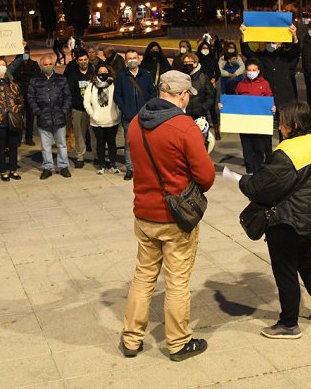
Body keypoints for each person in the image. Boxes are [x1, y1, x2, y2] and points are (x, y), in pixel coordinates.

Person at [121, 70, 216, 361]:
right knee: (176, 282)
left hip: (144, 213)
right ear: (183, 95)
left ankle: (131, 339)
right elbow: (206, 176)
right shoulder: (183, 126)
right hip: (176, 218)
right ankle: (177, 343)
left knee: (143, 276)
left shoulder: (136, 123)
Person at [239, 102, 311, 339]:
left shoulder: (286, 152)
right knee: (306, 260)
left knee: (285, 270)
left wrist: (241, 180)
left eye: (281, 122)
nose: (279, 126)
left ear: (292, 125)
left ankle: (289, 323)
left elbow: (258, 187)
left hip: (287, 221)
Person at [239, 24, 300, 124]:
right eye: (269, 42)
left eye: (274, 41)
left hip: (284, 98)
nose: (272, 44)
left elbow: (296, 51)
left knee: (286, 126)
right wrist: (243, 35)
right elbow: (247, 51)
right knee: (264, 127)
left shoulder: (285, 56)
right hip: (265, 97)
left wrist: (294, 35)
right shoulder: (261, 57)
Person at [114, 50, 158, 180]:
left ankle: (145, 169)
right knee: (129, 145)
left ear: (138, 59)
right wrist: (125, 109)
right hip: (129, 117)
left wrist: (148, 107)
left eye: (134, 57)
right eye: (129, 58)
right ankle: (130, 169)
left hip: (145, 115)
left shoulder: (146, 75)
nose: (132, 60)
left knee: (146, 143)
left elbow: (152, 92)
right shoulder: (121, 77)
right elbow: (117, 95)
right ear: (126, 61)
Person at [27, 55, 72, 179]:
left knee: (61, 144)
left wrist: (63, 111)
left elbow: (68, 96)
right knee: (45, 146)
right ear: (41, 66)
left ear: (54, 64)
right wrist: (38, 112)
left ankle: (63, 166)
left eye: (50, 64)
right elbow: (31, 98)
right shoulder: (35, 79)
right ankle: (47, 168)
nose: (48, 66)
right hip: (43, 118)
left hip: (59, 117)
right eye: (45, 64)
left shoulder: (61, 79)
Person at [0, 57, 26, 181]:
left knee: (14, 147)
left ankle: (13, 169)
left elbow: (21, 100)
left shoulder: (13, 85)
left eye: (4, 65)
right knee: (1, 148)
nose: (2, 67)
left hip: (13, 121)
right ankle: (3, 171)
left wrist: (17, 109)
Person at [231, 58, 274, 174]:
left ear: (258, 70)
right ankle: (250, 171)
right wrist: (224, 106)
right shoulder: (241, 84)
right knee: (247, 148)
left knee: (259, 148)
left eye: (254, 69)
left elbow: (270, 99)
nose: (251, 72)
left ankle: (259, 170)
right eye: (249, 70)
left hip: (259, 123)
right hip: (245, 123)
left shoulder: (265, 84)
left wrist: (273, 107)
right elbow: (235, 101)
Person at [84, 63, 121, 174]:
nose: (103, 74)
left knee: (111, 143)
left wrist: (117, 114)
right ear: (97, 73)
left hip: (112, 120)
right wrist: (92, 114)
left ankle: (113, 164)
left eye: (105, 72)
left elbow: (119, 100)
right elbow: (86, 102)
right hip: (97, 121)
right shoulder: (91, 86)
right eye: (100, 72)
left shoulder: (114, 84)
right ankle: (101, 165)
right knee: (100, 143)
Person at [66, 49, 93, 168]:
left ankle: (97, 155)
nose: (83, 62)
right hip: (78, 109)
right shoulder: (73, 75)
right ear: (77, 61)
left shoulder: (93, 73)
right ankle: (80, 156)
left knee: (93, 134)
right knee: (79, 134)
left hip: (93, 110)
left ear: (88, 60)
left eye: (85, 60)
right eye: (80, 60)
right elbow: (70, 93)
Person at [13, 51, 42, 145]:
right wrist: (27, 75)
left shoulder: (34, 64)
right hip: (19, 96)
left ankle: (29, 138)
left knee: (30, 118)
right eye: (24, 53)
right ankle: (18, 138)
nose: (26, 54)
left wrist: (23, 74)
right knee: (19, 118)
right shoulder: (16, 64)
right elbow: (15, 75)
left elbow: (36, 75)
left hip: (31, 95)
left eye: (27, 52)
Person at [180, 53, 214, 122]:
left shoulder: (203, 77)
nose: (187, 64)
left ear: (196, 63)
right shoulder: (180, 77)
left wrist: (203, 108)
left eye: (190, 62)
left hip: (199, 116)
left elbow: (211, 95)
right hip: (183, 115)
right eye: (185, 62)